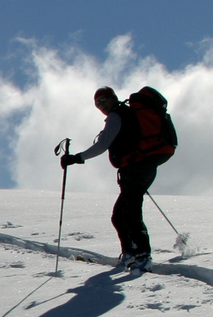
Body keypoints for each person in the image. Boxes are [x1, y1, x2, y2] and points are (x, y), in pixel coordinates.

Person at [61, 86, 161, 270]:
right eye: (97, 103)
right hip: (142, 168)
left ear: (113, 98)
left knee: (130, 214)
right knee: (121, 215)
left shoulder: (117, 116)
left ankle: (142, 255)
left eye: (103, 100)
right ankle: (131, 254)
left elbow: (102, 145)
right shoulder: (127, 114)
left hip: (135, 169)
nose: (101, 105)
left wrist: (76, 158)